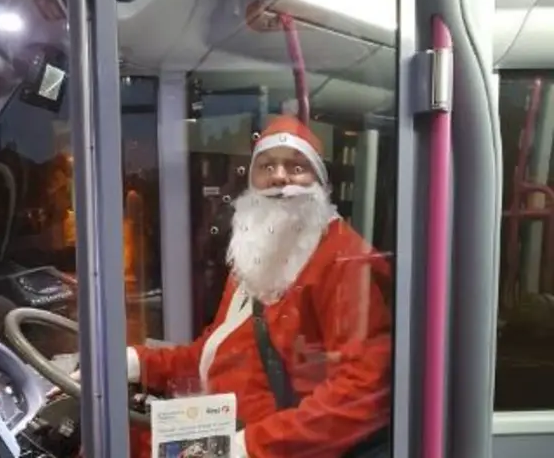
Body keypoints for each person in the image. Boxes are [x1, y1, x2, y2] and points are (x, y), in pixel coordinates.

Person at [64, 115, 392, 458]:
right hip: (219, 426)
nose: (279, 177)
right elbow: (212, 352)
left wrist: (249, 446)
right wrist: (136, 362)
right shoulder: (255, 255)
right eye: (267, 166)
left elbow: (362, 391)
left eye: (296, 167)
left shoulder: (345, 260)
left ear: (320, 182)